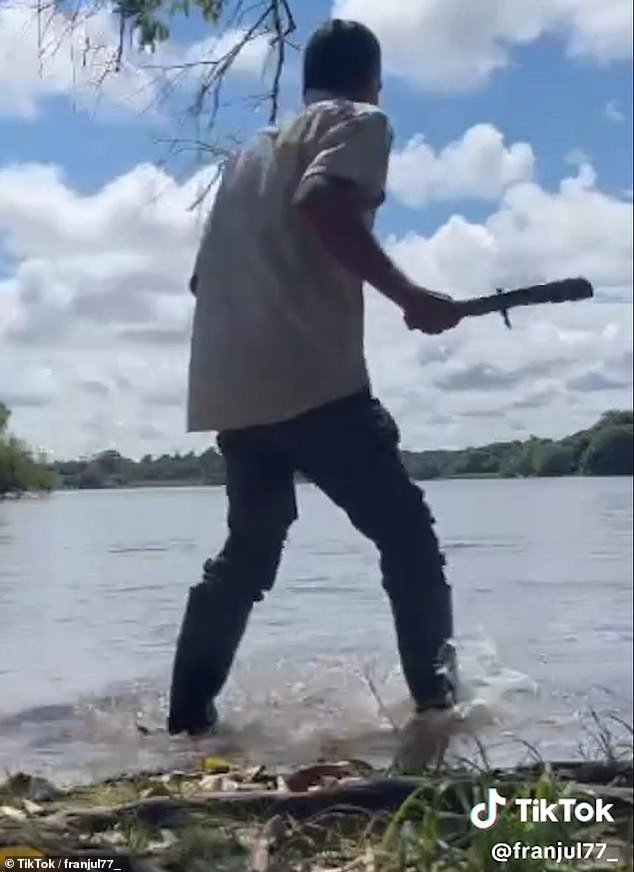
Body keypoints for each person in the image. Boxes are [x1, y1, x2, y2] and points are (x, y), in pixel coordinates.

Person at [167, 18, 462, 737]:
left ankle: (185, 722)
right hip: (315, 385)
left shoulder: (247, 159)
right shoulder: (361, 120)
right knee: (407, 535)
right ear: (372, 78)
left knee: (248, 553)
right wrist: (410, 296)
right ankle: (438, 708)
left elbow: (203, 280)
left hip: (232, 394)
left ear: (306, 83)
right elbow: (325, 201)